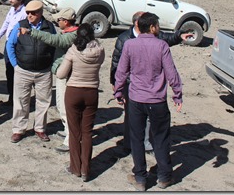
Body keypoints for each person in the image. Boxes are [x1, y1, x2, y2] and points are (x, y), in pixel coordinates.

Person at [114, 12, 183, 191]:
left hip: (136, 99)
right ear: (152, 27)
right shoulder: (162, 46)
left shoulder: (129, 45)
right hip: (157, 100)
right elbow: (171, 72)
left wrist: (118, 91)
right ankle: (164, 177)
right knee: (161, 138)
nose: (159, 28)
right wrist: (177, 94)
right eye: (157, 25)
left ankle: (140, 179)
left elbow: (121, 71)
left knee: (136, 139)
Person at [110, 11, 193, 153]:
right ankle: (130, 143)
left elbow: (168, 38)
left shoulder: (154, 37)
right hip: (132, 85)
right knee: (131, 117)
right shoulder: (125, 39)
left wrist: (179, 35)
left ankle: (146, 143)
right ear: (138, 23)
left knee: (148, 118)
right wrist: (116, 84)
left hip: (151, 89)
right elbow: (117, 63)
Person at [56, 23, 104, 182]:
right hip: (91, 92)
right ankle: (85, 170)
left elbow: (61, 74)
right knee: (87, 132)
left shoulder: (73, 50)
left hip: (74, 91)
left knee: (74, 131)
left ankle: (75, 167)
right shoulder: (100, 50)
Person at [26, 7, 78, 153]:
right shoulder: (73, 33)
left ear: (66, 21)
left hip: (66, 76)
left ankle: (70, 139)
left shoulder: (71, 36)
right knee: (63, 106)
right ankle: (68, 131)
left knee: (65, 107)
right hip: (64, 74)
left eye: (59, 20)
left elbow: (55, 40)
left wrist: (32, 32)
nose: (57, 22)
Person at [6, 0, 56, 143]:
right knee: (21, 101)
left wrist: (51, 66)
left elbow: (54, 45)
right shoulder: (20, 25)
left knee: (43, 102)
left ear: (40, 13)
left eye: (33, 13)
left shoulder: (49, 27)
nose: (29, 16)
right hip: (23, 70)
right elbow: (10, 45)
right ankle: (18, 130)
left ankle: (40, 128)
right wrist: (15, 65)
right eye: (28, 13)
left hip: (44, 72)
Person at [0, 0, 27, 106]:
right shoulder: (12, 10)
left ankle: (16, 99)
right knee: (9, 70)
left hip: (18, 46)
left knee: (17, 71)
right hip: (9, 44)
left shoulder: (24, 13)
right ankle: (12, 98)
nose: (10, 0)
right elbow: (6, 23)